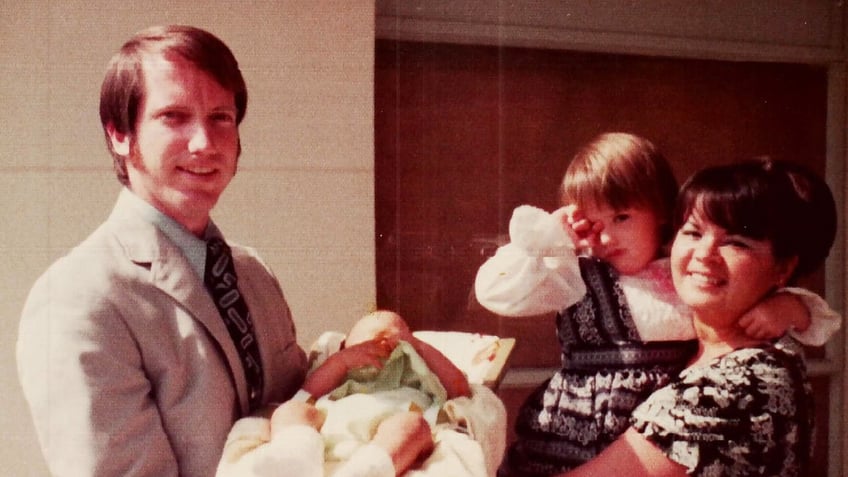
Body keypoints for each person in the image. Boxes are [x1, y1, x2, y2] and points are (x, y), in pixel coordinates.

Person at [14, 25, 313, 476]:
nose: (204, 144)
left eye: (221, 118)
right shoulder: (77, 298)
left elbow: (300, 420)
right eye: (174, 116)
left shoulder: (254, 275)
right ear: (119, 133)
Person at [474, 133, 840, 475]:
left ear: (784, 268)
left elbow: (819, 320)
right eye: (693, 232)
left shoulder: (745, 380)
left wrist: (791, 306)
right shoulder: (598, 279)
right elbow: (500, 290)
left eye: (737, 243)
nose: (704, 255)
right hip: (567, 430)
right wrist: (547, 240)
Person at [216, 310, 507, 477]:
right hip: (327, 430)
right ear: (345, 347)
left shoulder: (417, 377)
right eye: (366, 337)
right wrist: (342, 361)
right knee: (292, 412)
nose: (382, 339)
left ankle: (372, 468)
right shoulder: (341, 377)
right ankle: (294, 452)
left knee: (412, 427)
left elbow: (460, 390)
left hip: (396, 427)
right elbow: (304, 395)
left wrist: (417, 347)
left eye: (397, 333)